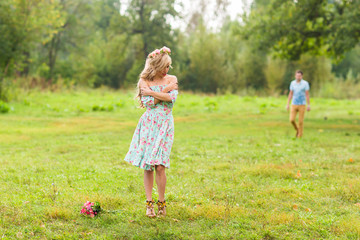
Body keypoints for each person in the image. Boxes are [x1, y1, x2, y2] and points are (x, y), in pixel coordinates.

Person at [123, 46, 179, 217]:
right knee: (148, 166)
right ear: (155, 65)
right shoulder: (143, 81)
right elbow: (148, 104)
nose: (166, 70)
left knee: (160, 166)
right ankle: (149, 205)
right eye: (164, 66)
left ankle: (161, 203)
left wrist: (155, 93)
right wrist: (163, 92)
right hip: (149, 124)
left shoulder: (172, 78)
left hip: (165, 125)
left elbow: (172, 99)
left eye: (168, 67)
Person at [286, 70, 311, 138]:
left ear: (301, 76)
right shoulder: (292, 83)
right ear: (295, 76)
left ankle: (299, 135)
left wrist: (308, 105)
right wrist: (288, 103)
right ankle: (297, 130)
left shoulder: (305, 84)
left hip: (302, 104)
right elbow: (290, 93)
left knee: (300, 121)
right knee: (291, 120)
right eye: (297, 75)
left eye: (299, 76)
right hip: (294, 103)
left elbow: (307, 95)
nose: (298, 77)